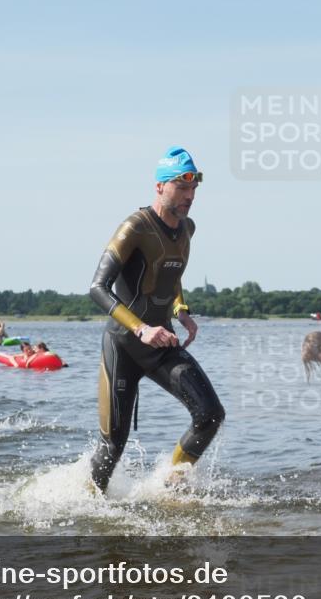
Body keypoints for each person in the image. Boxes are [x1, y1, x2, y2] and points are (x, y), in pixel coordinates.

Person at [87, 146, 224, 493]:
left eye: (193, 189)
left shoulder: (187, 229)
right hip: (125, 344)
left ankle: (168, 488)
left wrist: (181, 310)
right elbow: (97, 288)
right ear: (160, 186)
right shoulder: (136, 226)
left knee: (210, 415)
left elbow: (170, 275)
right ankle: (85, 504)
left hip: (162, 343)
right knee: (112, 448)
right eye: (182, 187)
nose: (190, 196)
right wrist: (141, 329)